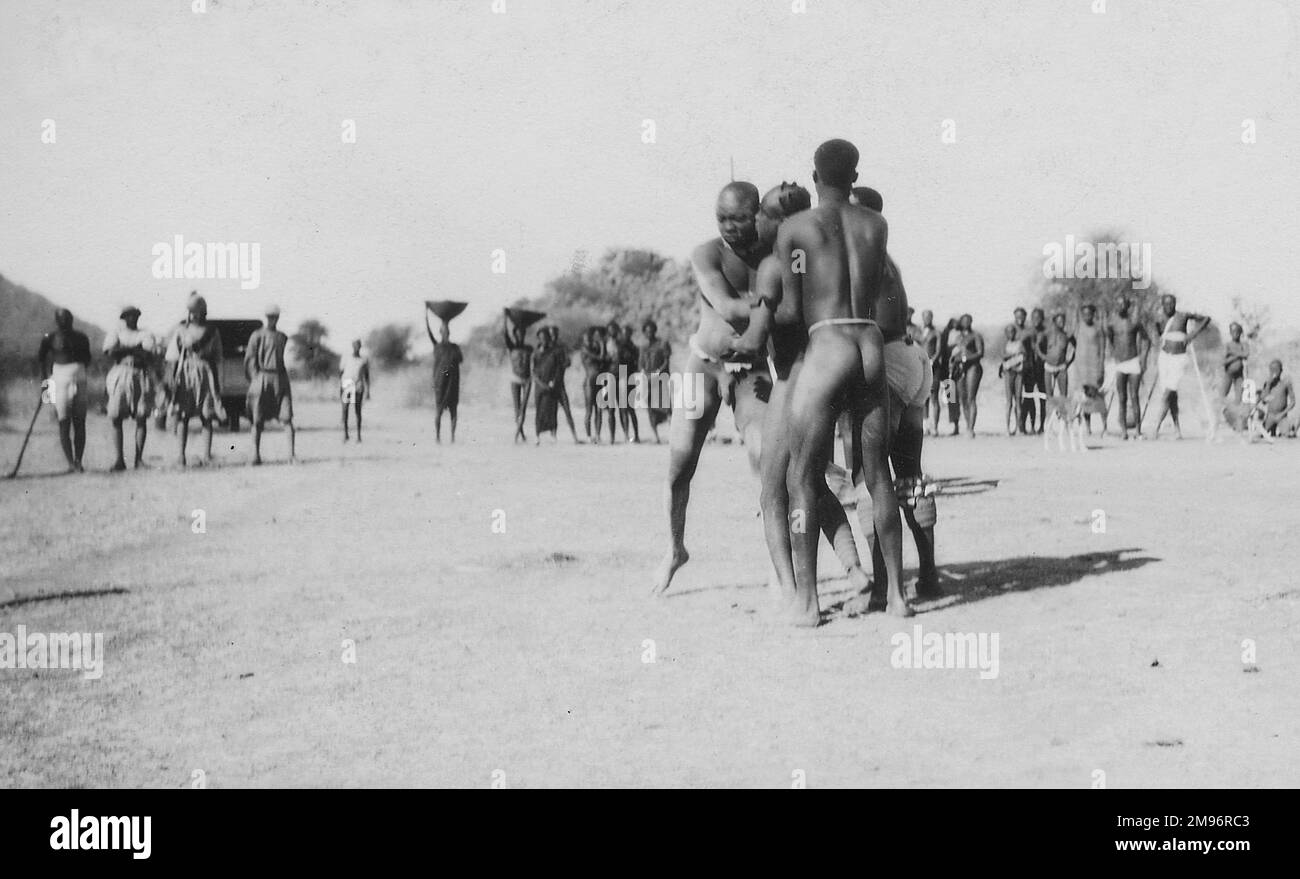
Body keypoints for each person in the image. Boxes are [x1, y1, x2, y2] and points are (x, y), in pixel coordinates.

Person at [728, 181, 875, 617]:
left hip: (793, 380)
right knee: (812, 485)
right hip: (826, 376)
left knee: (776, 492)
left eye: (761, 213)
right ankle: (854, 572)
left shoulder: (776, 265)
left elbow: (777, 322)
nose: (754, 220)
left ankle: (796, 594)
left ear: (776, 220)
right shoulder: (816, 260)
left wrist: (750, 331)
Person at [779, 139, 907, 622]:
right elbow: (873, 286)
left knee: (803, 477)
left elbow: (792, 306)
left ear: (814, 175)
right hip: (869, 343)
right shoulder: (876, 224)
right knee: (878, 476)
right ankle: (897, 596)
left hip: (827, 343)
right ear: (855, 177)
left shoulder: (795, 228)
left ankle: (808, 602)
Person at [652, 181, 774, 596]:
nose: (728, 227)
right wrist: (774, 304)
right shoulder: (707, 253)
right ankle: (674, 549)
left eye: (737, 218)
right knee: (678, 468)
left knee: (766, 463)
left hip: (751, 374)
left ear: (757, 214)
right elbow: (727, 307)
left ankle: (780, 566)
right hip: (700, 367)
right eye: (721, 218)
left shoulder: (774, 253)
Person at [166, 295, 225, 467]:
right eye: (192, 312)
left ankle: (206, 456)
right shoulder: (181, 330)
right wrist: (171, 378)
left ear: (204, 312)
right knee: (183, 415)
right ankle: (181, 456)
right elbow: (172, 356)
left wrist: (218, 381)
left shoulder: (212, 332)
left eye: (198, 312)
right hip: (186, 372)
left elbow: (218, 357)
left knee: (207, 416)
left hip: (206, 373)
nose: (194, 315)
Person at [35, 308, 92, 473]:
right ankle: (70, 463)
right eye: (61, 319)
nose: (65, 321)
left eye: (67, 318)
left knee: (80, 422)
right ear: (56, 321)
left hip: (79, 378)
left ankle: (78, 461)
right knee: (63, 422)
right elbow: (42, 363)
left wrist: (76, 371)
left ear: (72, 320)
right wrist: (46, 390)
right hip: (58, 379)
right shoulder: (50, 338)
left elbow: (87, 359)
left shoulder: (82, 338)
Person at [103, 306, 157, 471]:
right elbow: (110, 351)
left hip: (140, 374)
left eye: (135, 316)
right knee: (116, 416)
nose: (132, 319)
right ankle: (119, 459)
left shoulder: (145, 334)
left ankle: (138, 459)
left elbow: (148, 353)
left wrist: (124, 349)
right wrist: (135, 349)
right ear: (124, 318)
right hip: (120, 373)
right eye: (129, 316)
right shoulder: (116, 333)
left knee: (141, 416)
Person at [1151, 294, 1211, 439]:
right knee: (1171, 395)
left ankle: (1156, 428)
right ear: (1162, 305)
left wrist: (1192, 335)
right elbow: (1160, 337)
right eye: (1166, 304)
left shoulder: (1183, 316)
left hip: (1179, 359)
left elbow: (1206, 319)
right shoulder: (1159, 319)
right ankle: (1177, 430)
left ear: (1175, 304)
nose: (1169, 306)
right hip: (1164, 358)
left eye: (1171, 303)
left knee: (1168, 393)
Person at [245, 304, 295, 465]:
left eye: (275, 317)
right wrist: (255, 378)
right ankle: (255, 455)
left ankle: (291, 455)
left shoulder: (282, 337)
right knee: (257, 419)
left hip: (280, 377)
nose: (272, 319)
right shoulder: (257, 335)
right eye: (270, 317)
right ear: (266, 318)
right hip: (263, 377)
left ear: (278, 318)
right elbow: (250, 359)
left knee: (287, 417)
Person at [1106, 295, 1151, 440]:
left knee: (1134, 397)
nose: (1121, 307)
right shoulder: (1112, 323)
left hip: (1133, 362)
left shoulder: (1134, 322)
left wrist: (1143, 359)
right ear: (1116, 306)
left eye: (1124, 305)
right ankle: (1124, 431)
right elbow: (1110, 339)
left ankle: (1138, 431)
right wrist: (1114, 355)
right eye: (1118, 304)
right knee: (1122, 398)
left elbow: (1146, 339)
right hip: (1120, 363)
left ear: (1128, 306)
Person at [427, 312, 462, 443]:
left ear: (449, 333)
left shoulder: (455, 348)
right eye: (443, 330)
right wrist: (426, 316)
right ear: (440, 333)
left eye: (447, 330)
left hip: (453, 382)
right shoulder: (437, 347)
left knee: (453, 411)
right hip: (440, 383)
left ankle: (452, 437)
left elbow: (460, 359)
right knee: (438, 410)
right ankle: (438, 437)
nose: (446, 332)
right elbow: (429, 333)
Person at [1073, 304, 1107, 433]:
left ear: (1093, 314)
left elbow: (1103, 349)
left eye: (1089, 314)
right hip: (1082, 367)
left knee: (1098, 397)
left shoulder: (1098, 328)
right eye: (1084, 314)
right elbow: (1072, 340)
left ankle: (1105, 426)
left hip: (1094, 366)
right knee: (1085, 398)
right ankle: (1088, 428)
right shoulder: (1078, 327)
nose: (1087, 316)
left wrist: (1101, 367)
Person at [638, 319, 672, 443]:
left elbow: (666, 362)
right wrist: (643, 374)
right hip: (647, 380)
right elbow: (640, 364)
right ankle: (656, 436)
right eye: (646, 332)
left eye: (651, 331)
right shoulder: (643, 347)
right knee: (650, 408)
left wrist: (658, 373)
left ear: (655, 331)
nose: (649, 334)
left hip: (660, 378)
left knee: (666, 407)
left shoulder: (662, 344)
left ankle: (671, 435)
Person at [549, 327, 582, 443]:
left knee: (567, 411)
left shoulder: (560, 347)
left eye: (555, 334)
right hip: (551, 384)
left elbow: (568, 362)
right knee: (553, 412)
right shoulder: (547, 347)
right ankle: (554, 437)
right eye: (552, 334)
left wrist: (562, 364)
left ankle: (574, 437)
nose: (553, 337)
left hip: (559, 384)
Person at [531, 327, 563, 444]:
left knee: (552, 409)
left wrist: (554, 381)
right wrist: (541, 384)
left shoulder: (554, 351)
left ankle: (553, 434)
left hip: (551, 383)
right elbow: (533, 371)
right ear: (539, 339)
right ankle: (537, 436)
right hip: (539, 384)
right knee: (539, 410)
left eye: (546, 338)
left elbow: (558, 368)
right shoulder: (536, 352)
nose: (544, 340)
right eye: (541, 338)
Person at [504, 311, 533, 443]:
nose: (521, 335)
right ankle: (520, 434)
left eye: (523, 333)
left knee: (523, 408)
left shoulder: (529, 347)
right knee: (517, 408)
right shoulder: (511, 346)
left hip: (527, 379)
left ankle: (518, 435)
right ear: (515, 334)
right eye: (519, 333)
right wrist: (505, 319)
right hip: (515, 378)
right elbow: (505, 334)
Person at [954, 314, 984, 437]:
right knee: (963, 398)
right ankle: (967, 426)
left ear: (971, 321)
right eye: (963, 321)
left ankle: (971, 428)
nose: (966, 323)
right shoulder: (958, 337)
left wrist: (967, 359)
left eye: (968, 321)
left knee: (971, 398)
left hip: (973, 367)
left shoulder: (976, 335)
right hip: (960, 367)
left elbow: (980, 352)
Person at [339, 339, 370, 443]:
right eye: (355, 346)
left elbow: (366, 376)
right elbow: (341, 372)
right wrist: (341, 387)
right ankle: (345, 434)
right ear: (352, 346)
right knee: (345, 409)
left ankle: (358, 436)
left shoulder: (364, 360)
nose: (356, 348)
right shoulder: (346, 358)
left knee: (358, 411)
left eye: (358, 346)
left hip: (358, 385)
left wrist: (368, 391)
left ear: (360, 347)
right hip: (347, 384)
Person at [916, 310, 942, 436]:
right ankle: (925, 426)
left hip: (933, 367)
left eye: (929, 317)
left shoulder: (936, 332)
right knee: (923, 397)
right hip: (921, 366)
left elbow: (938, 350)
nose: (927, 319)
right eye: (925, 317)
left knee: (934, 397)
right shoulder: (919, 332)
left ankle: (935, 427)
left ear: (932, 318)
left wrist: (932, 360)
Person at [580, 326, 607, 443]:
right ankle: (589, 436)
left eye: (590, 338)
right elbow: (601, 357)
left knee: (599, 409)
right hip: (589, 382)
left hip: (598, 380)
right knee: (589, 411)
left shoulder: (594, 349)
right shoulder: (584, 350)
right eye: (586, 339)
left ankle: (597, 434)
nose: (589, 340)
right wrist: (601, 344)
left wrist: (601, 345)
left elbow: (603, 358)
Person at [998, 323, 1025, 435]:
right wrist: (1015, 355)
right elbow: (1003, 356)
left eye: (1012, 332)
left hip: (1018, 372)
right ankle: (1007, 428)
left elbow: (1023, 355)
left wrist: (1012, 356)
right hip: (1008, 373)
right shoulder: (1005, 344)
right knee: (1009, 401)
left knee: (1018, 400)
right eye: (1008, 332)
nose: (1011, 334)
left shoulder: (1020, 343)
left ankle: (1019, 428)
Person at [617, 324, 641, 443]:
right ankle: (628, 435)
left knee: (629, 408)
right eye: (624, 333)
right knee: (625, 408)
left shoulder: (630, 348)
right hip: (623, 376)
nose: (625, 335)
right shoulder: (623, 347)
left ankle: (633, 435)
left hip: (627, 377)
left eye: (627, 333)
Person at [1042, 311, 1076, 397]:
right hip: (1049, 367)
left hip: (1061, 368)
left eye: (1063, 321)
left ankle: (1063, 410)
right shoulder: (1047, 334)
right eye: (1059, 321)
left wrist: (1069, 361)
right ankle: (1051, 410)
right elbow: (1037, 345)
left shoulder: (1067, 335)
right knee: (1049, 396)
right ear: (1055, 322)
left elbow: (1076, 347)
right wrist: (1043, 356)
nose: (1062, 323)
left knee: (1063, 395)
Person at [1258, 359, 1295, 436]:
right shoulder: (1267, 384)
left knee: (1288, 434)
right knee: (1261, 434)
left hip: (1281, 415)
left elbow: (1292, 402)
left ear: (1281, 370)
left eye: (1276, 370)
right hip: (1270, 416)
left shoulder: (1286, 383)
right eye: (1271, 370)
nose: (1274, 372)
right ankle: (1272, 428)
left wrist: (1283, 413)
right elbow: (1263, 400)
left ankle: (1290, 428)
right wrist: (1268, 384)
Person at [1221, 322, 1249, 403]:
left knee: (1239, 398)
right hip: (1229, 374)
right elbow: (1223, 362)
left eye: (1237, 332)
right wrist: (1238, 356)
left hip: (1239, 375)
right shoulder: (1228, 345)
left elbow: (1246, 354)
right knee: (1222, 394)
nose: (1235, 334)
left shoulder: (1243, 344)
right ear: (1230, 333)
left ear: (1240, 333)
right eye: (1233, 332)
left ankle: (1236, 412)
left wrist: (1232, 353)